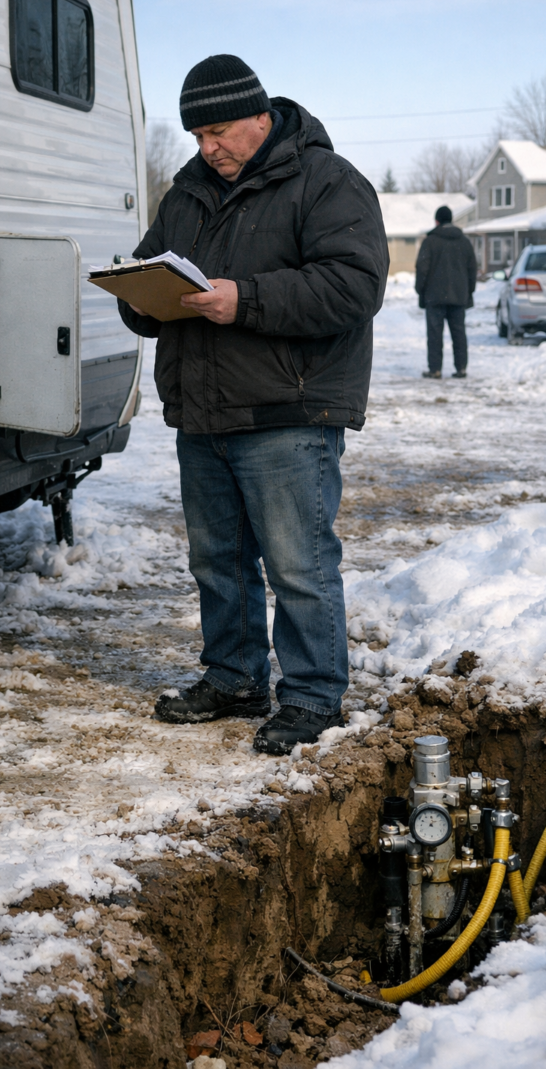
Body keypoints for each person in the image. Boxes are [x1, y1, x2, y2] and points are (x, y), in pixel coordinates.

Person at [118, 54, 388, 755]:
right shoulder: (185, 196)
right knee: (219, 560)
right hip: (203, 411)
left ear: (261, 117)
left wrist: (246, 299)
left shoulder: (326, 181)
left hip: (286, 412)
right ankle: (235, 678)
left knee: (297, 563)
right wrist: (140, 302)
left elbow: (354, 287)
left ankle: (311, 695)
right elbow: (153, 269)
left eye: (219, 131)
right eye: (197, 137)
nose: (208, 148)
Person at [415, 205, 478, 378]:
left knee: (434, 335)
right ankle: (461, 368)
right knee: (459, 334)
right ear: (451, 220)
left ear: (436, 221)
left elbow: (422, 268)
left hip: (434, 297)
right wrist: (469, 291)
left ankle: (435, 369)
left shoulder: (430, 241)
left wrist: (420, 290)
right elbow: (472, 268)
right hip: (458, 297)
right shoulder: (464, 242)